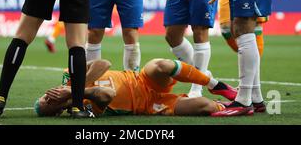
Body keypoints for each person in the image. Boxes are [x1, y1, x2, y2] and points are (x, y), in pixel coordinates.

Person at [34, 58, 238, 117]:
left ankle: (215, 85)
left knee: (160, 65)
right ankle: (227, 105)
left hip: (141, 79)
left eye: (44, 98)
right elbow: (107, 94)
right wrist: (73, 94)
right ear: (56, 111)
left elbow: (103, 63)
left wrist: (73, 86)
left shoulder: (68, 76)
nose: (48, 99)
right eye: (48, 105)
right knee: (205, 107)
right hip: (148, 104)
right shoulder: (79, 109)